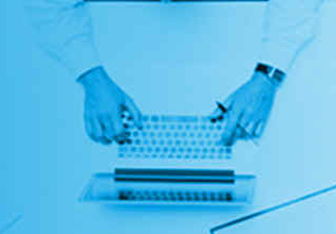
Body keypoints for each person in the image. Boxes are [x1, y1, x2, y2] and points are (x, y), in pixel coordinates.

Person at [26, 0, 319, 146]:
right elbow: (47, 6)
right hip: (120, 48)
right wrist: (90, 76)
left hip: (234, 40)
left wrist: (267, 75)